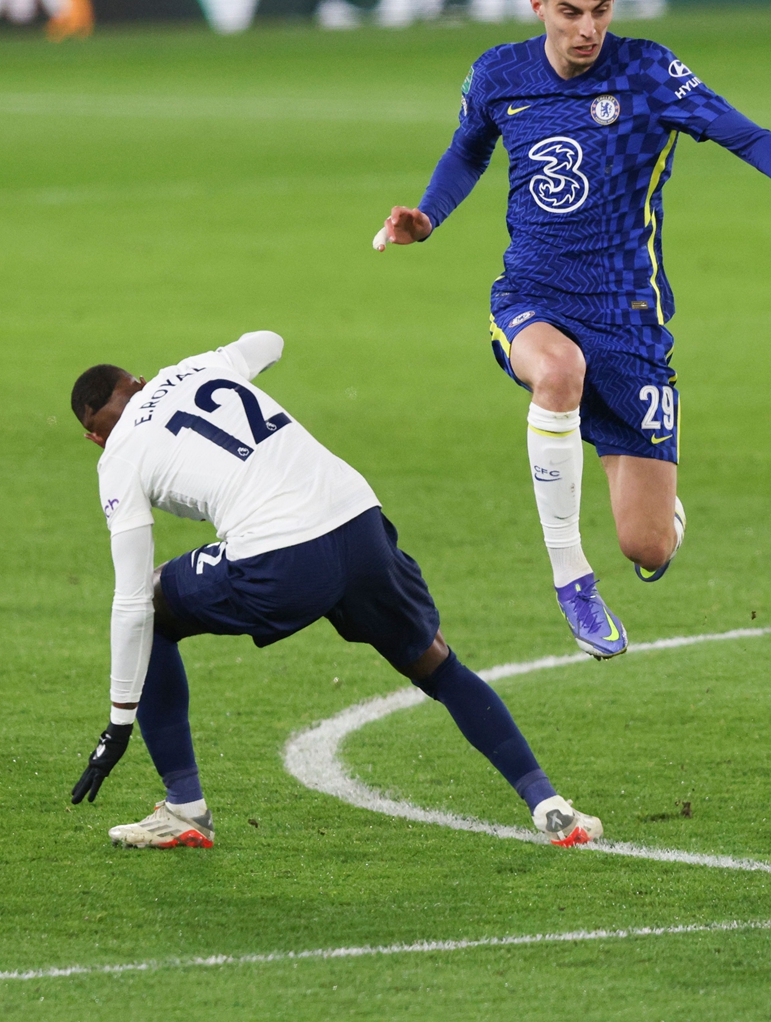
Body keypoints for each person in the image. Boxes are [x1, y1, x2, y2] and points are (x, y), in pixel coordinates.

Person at [376, 0, 771, 661]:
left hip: (629, 319)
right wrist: (427, 216)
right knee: (557, 373)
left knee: (648, 547)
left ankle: (660, 517)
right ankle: (571, 577)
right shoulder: (499, 76)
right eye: (572, 11)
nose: (588, 29)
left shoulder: (648, 72)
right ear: (538, 3)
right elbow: (467, 150)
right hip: (532, 297)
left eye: (601, 10)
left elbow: (745, 135)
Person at [69, 330, 601, 850]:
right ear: (136, 382)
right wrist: (211, 363)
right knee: (437, 665)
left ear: (94, 436)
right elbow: (269, 340)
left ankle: (184, 807)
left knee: (158, 603)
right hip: (358, 523)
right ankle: (548, 804)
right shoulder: (196, 368)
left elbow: (132, 599)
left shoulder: (117, 458)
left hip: (282, 559)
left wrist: (118, 725)